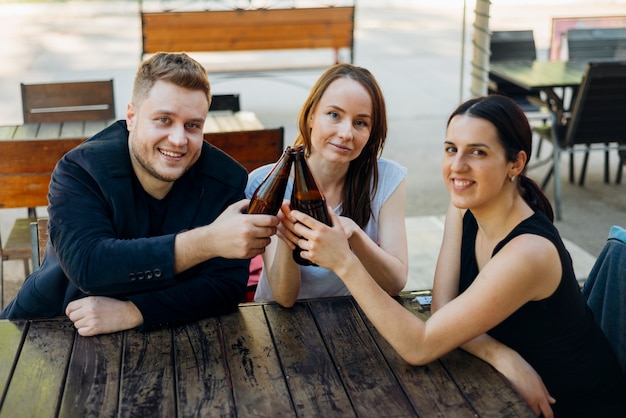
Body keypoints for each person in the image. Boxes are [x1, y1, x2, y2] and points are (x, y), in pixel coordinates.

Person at [282, 94, 626, 417]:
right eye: (451, 149)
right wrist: (500, 354)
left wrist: (345, 262)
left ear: (515, 163)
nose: (457, 166)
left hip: (573, 403)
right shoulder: (465, 207)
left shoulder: (529, 252)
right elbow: (441, 310)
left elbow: (419, 346)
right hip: (503, 388)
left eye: (478, 152)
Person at [0, 52, 278, 336]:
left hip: (173, 334)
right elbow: (89, 266)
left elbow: (225, 287)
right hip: (50, 325)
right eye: (163, 120)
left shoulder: (227, 179)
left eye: (193, 125)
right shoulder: (81, 169)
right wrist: (209, 241)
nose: (179, 139)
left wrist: (136, 310)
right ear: (132, 117)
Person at [246, 63, 408, 306]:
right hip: (276, 321)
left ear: (372, 131)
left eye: (360, 122)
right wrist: (287, 234)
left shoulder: (388, 178)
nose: (346, 133)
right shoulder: (264, 183)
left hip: (351, 318)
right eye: (334, 115)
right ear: (311, 116)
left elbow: (396, 282)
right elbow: (284, 298)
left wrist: (353, 232)